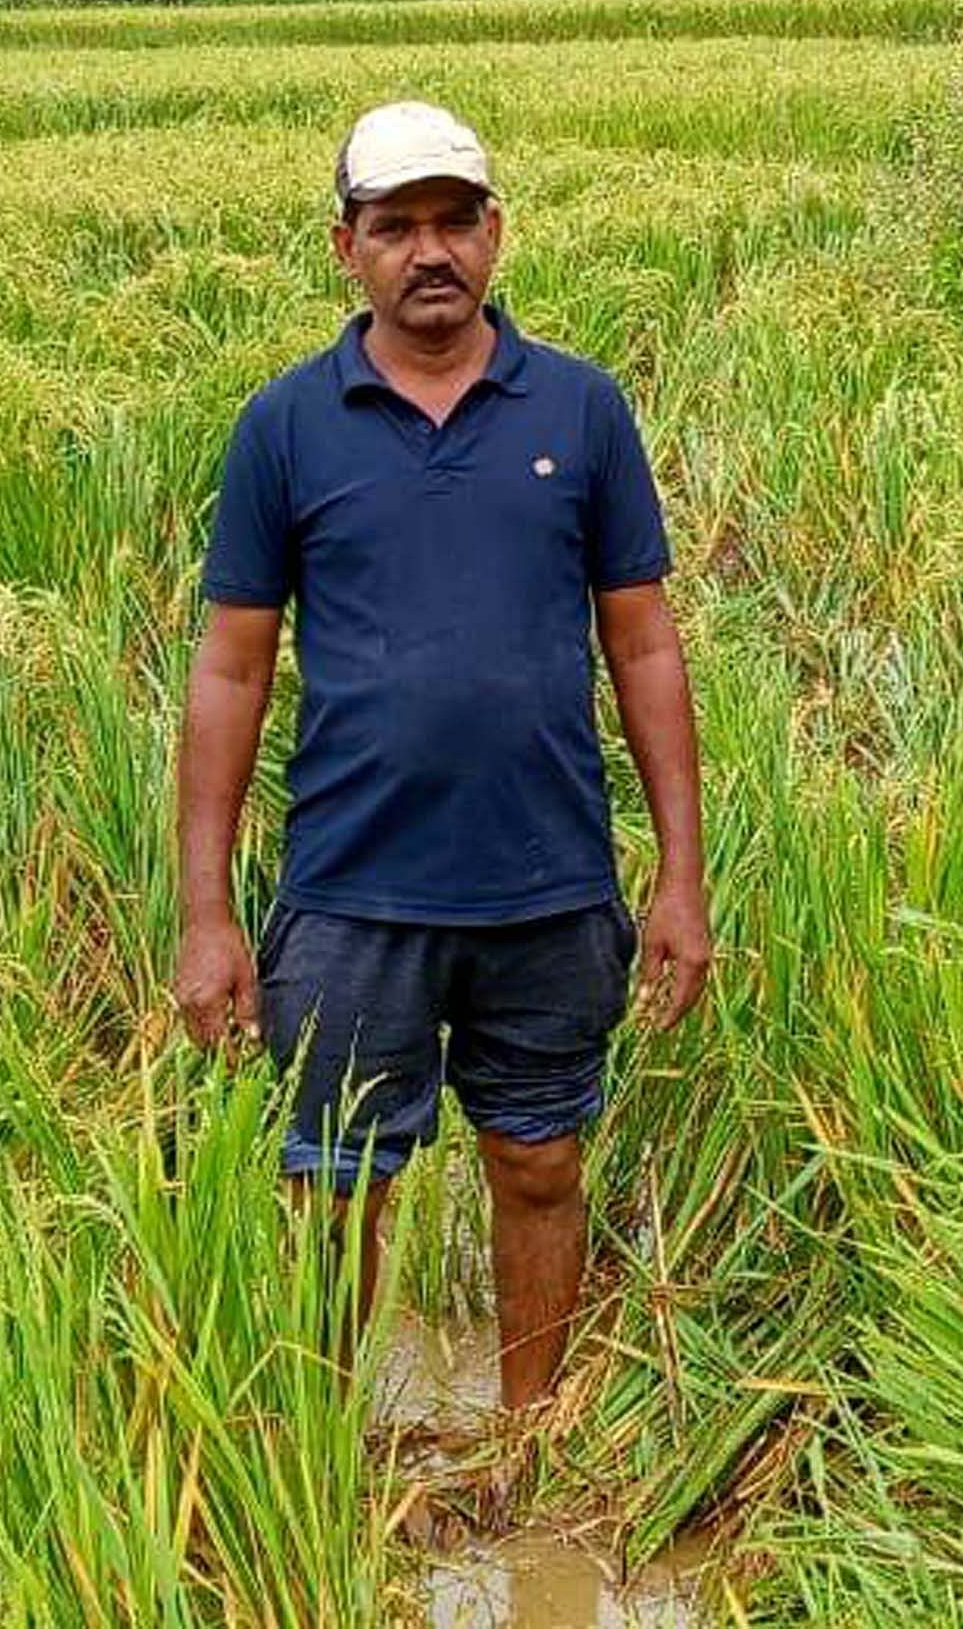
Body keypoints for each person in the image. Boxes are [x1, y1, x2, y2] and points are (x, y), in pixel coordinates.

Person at [170, 98, 716, 1413]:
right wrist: (205, 914)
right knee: (335, 1183)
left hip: (548, 885)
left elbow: (642, 646)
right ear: (344, 244)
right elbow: (231, 668)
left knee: (538, 1161)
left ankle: (532, 1443)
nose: (430, 250)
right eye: (394, 224)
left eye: (453, 220)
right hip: (353, 893)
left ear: (495, 233)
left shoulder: (580, 411)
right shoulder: (285, 426)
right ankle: (325, 1455)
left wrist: (679, 879)